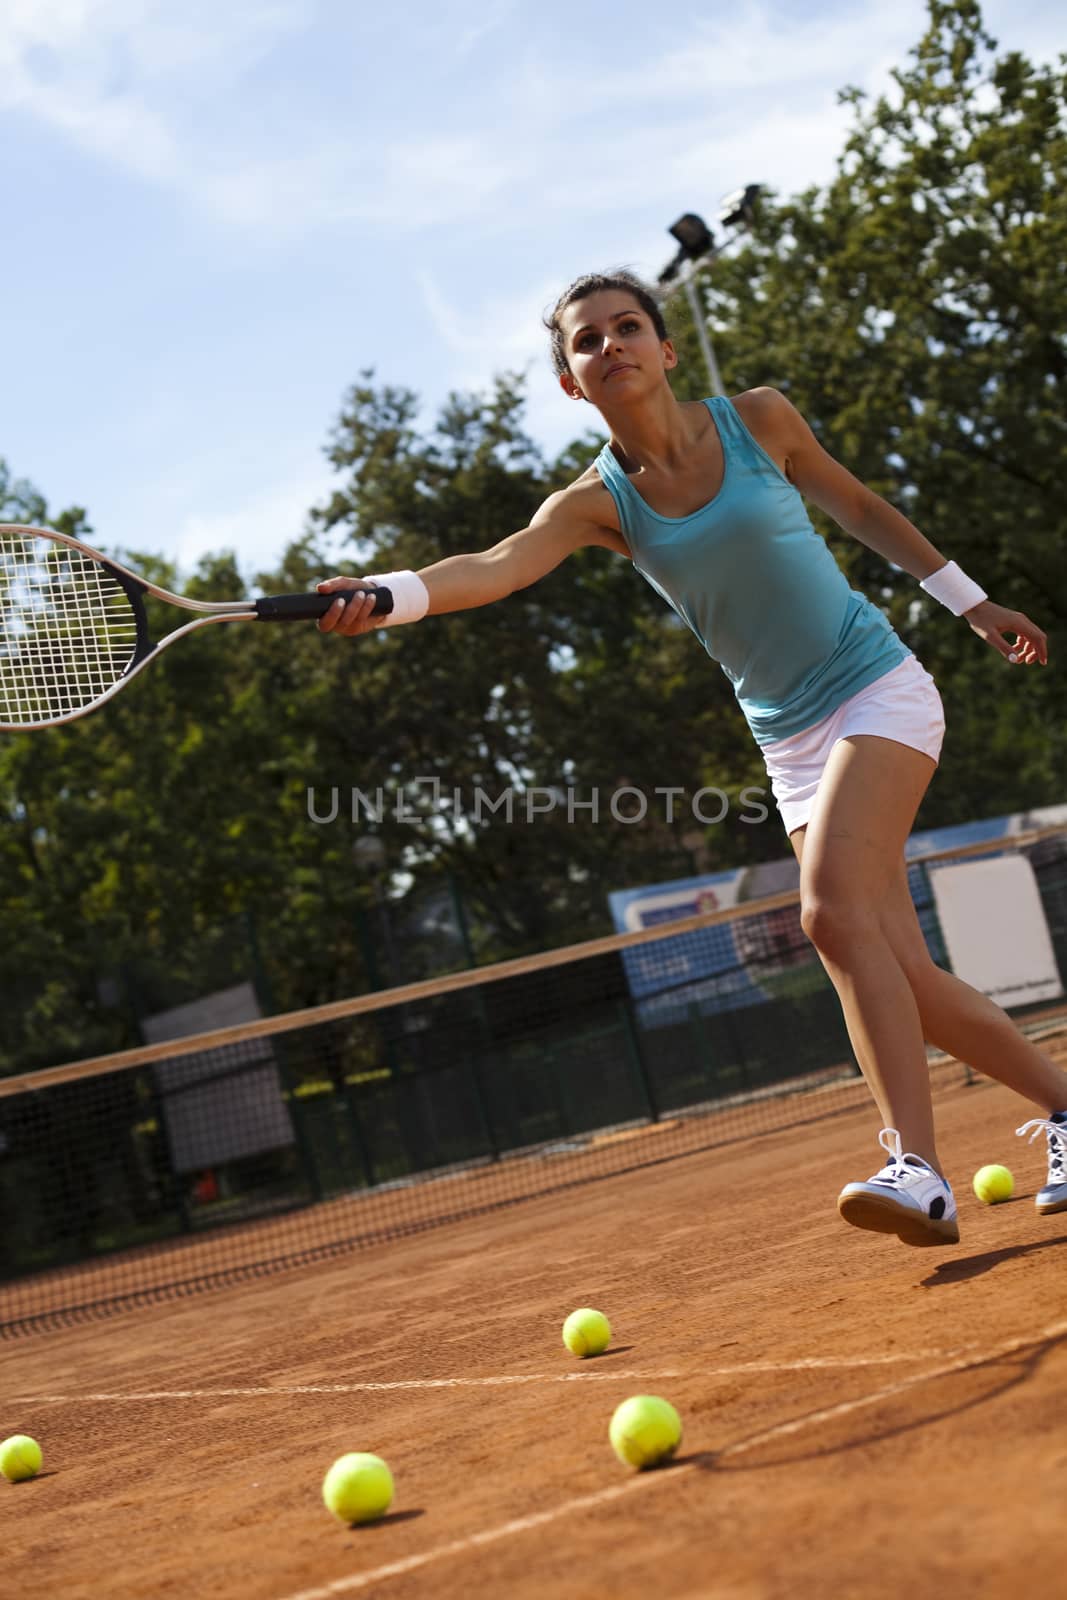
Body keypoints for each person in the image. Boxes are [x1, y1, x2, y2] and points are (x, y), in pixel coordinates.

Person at [316, 268, 1065, 1248]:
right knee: (899, 975)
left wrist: (969, 602)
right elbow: (493, 568)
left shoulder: (757, 418)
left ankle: (916, 1173)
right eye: (585, 341)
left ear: (665, 351)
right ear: (569, 384)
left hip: (875, 684)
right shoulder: (594, 504)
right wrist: (384, 592)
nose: (610, 344)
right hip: (787, 740)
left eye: (627, 327)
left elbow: (860, 507)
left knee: (828, 915)